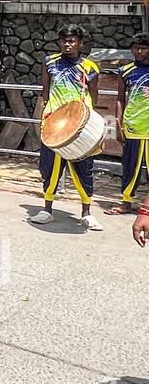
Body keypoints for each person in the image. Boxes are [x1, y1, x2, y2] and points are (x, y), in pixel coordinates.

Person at [30, 24, 102, 230]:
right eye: (63, 40)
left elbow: (93, 97)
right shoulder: (50, 63)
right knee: (50, 167)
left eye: (71, 41)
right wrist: (46, 115)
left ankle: (86, 212)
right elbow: (45, 93)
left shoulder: (89, 67)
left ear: (80, 44)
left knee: (83, 168)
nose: (67, 44)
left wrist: (85, 120)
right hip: (54, 123)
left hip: (78, 126)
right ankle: (47, 209)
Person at [110, 34, 149, 216]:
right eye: (136, 47)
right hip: (132, 127)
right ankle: (126, 203)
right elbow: (120, 99)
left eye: (144, 47)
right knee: (129, 167)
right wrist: (118, 124)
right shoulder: (125, 71)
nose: (139, 51)